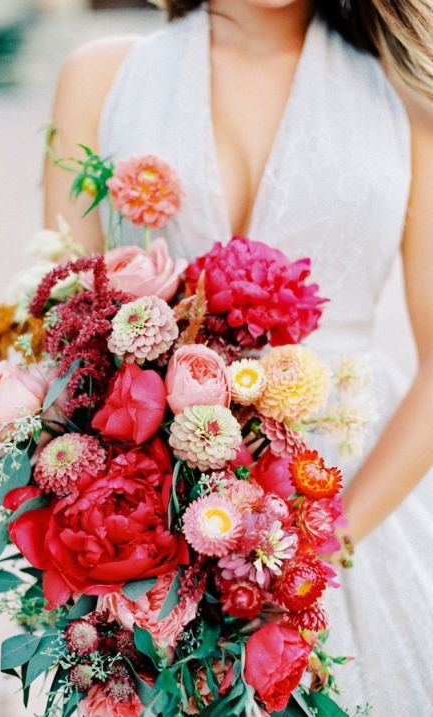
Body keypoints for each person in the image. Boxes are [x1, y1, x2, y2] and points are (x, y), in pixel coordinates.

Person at [44, 1, 433, 713]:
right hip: (152, 541)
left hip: (356, 514)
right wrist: (116, 546)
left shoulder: (412, 91)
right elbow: (65, 347)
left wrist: (313, 551)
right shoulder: (103, 80)